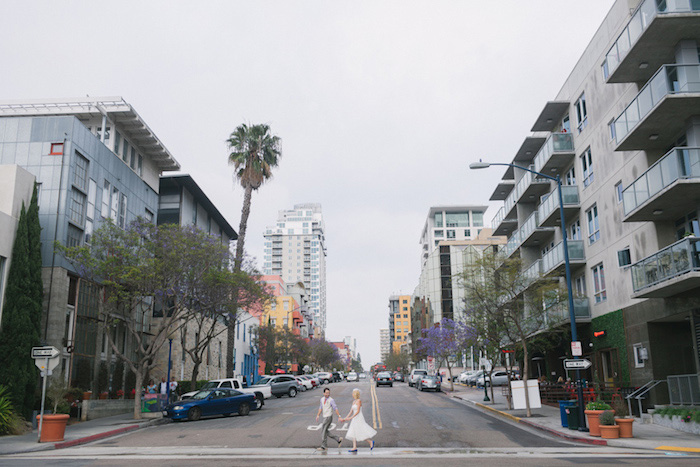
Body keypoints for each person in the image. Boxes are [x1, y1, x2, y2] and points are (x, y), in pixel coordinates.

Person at [340, 388, 376, 452]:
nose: (352, 394)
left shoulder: (359, 401)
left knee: (360, 431)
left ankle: (370, 442)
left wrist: (351, 418)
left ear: (355, 394)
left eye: (353, 393)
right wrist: (345, 418)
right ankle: (354, 447)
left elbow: (358, 411)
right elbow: (351, 411)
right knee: (354, 432)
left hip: (358, 418)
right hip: (354, 418)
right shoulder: (353, 402)